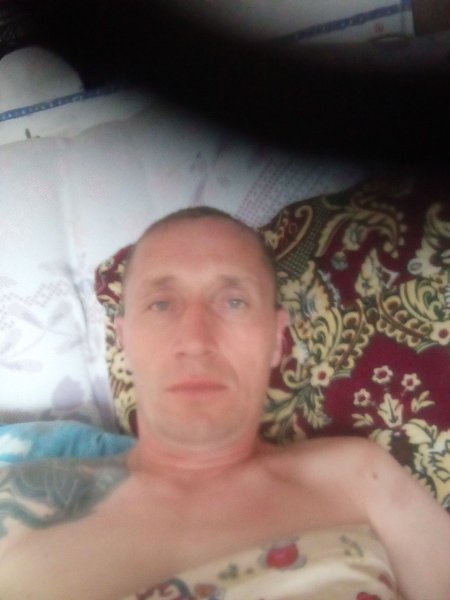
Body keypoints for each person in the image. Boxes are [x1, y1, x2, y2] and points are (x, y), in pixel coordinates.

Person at [0, 207, 449, 600]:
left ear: (276, 340)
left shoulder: (358, 479)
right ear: (124, 342)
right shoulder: (17, 502)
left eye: (234, 302)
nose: (196, 341)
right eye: (161, 304)